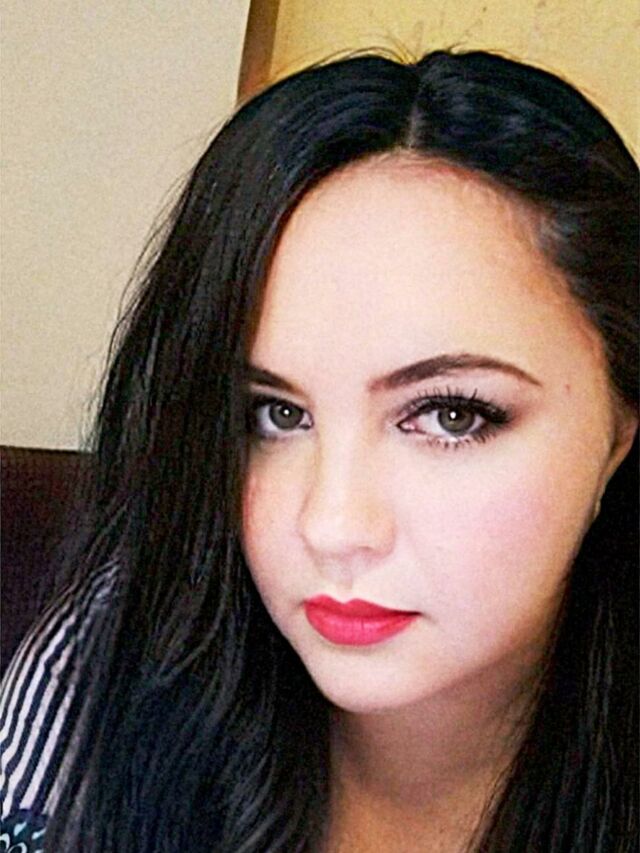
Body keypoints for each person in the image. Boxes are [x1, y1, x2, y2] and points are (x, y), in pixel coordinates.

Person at [0, 48, 637, 852]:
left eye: (449, 416)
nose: (333, 525)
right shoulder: (111, 660)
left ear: (620, 426)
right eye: (274, 414)